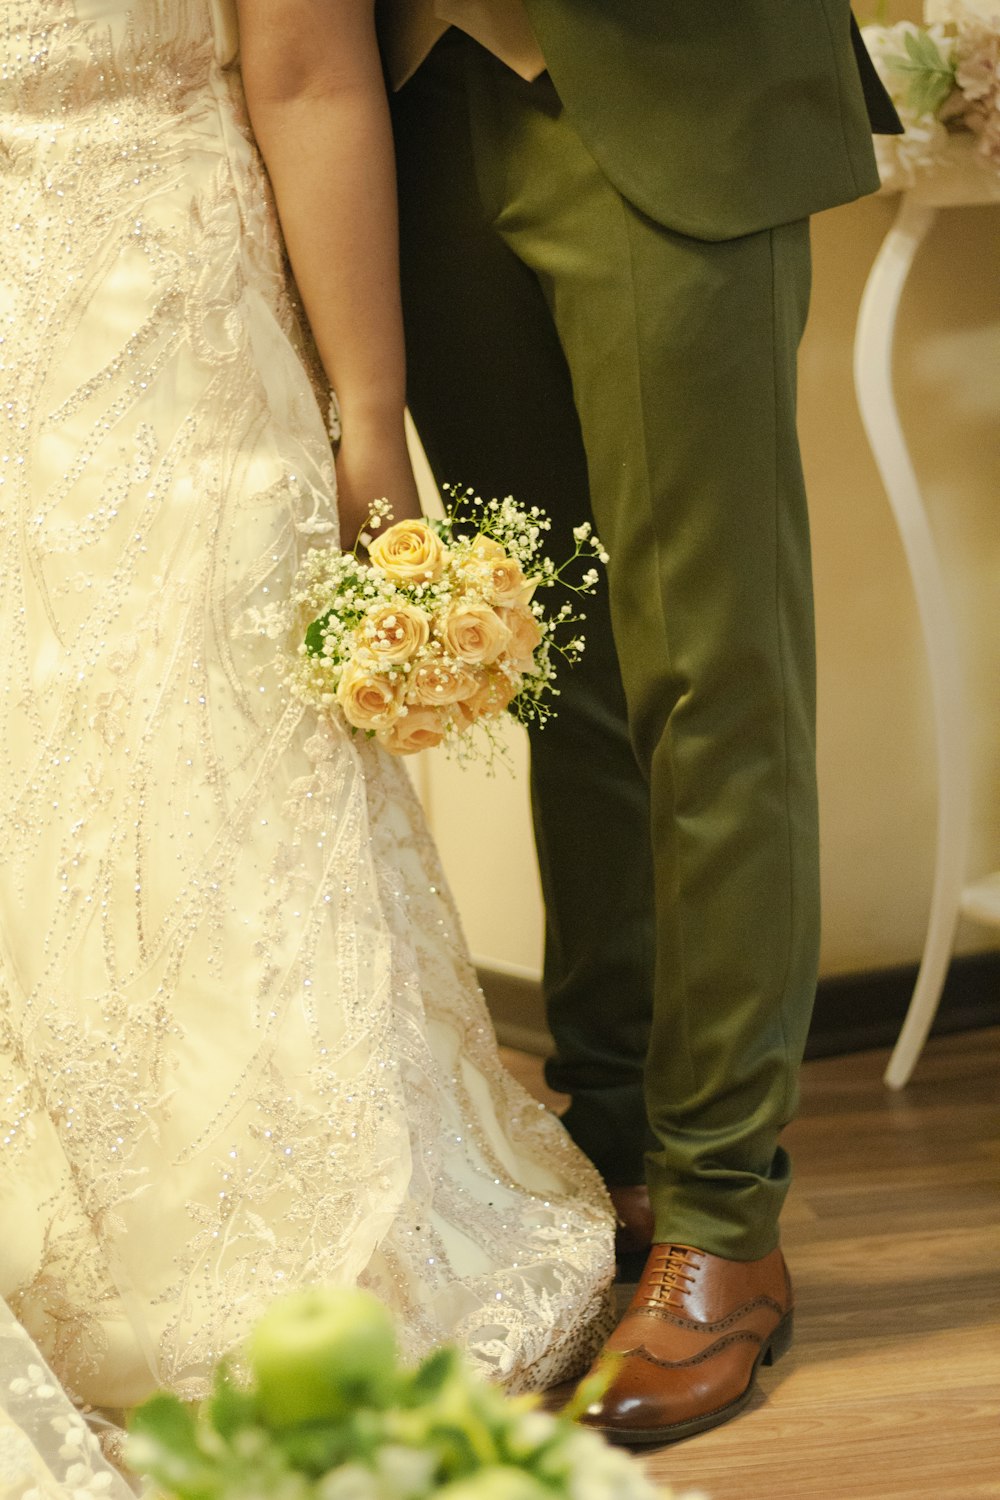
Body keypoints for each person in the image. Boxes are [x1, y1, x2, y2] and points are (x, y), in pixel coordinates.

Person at [0, 0, 615, 1435]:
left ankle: (278, 1233)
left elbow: (310, 73)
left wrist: (369, 413)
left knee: (212, 768)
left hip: (182, 343)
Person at [381, 0, 901, 1445]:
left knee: (710, 674)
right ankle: (615, 1149)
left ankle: (725, 1215)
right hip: (414, 95)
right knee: (557, 667)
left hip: (672, 69)